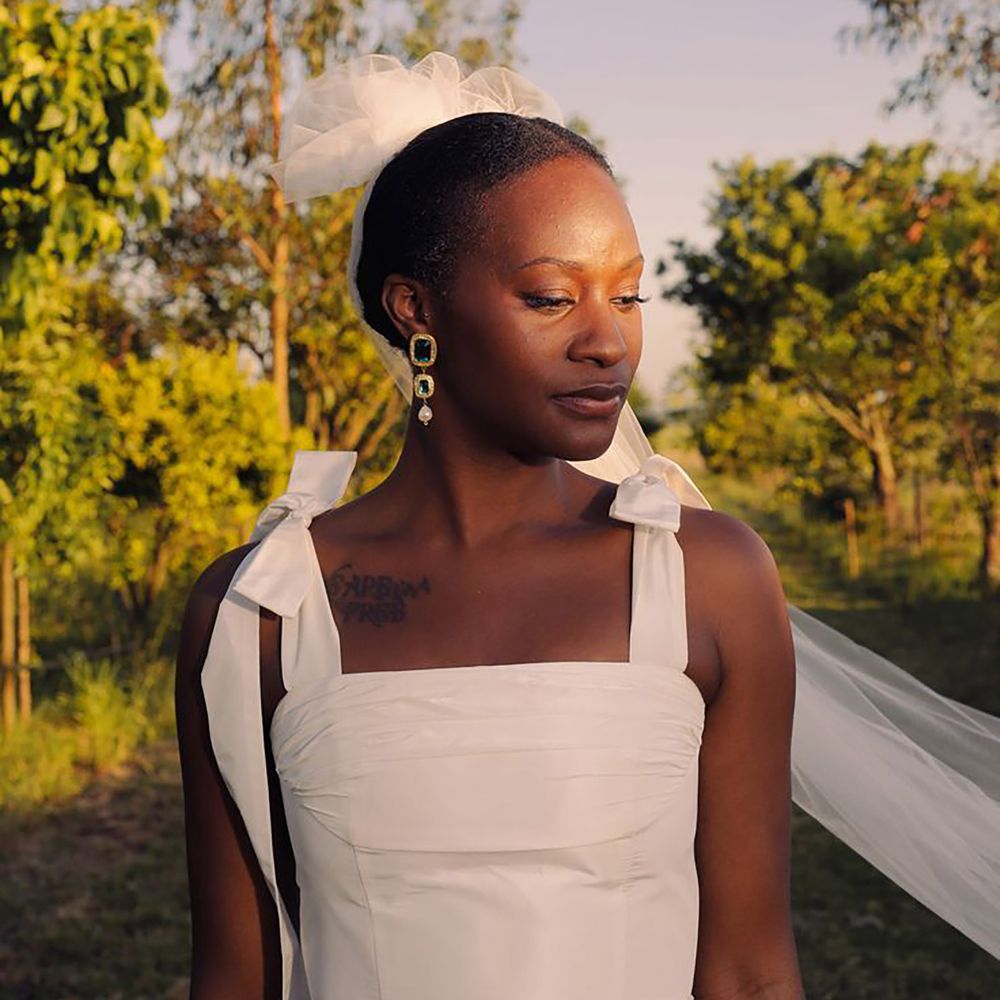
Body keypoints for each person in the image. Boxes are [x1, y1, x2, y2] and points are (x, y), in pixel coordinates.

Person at [176, 53, 999, 1000]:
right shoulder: (260, 610)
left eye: (628, 293)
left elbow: (751, 973)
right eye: (551, 297)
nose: (608, 340)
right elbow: (235, 979)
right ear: (416, 311)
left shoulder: (710, 579)